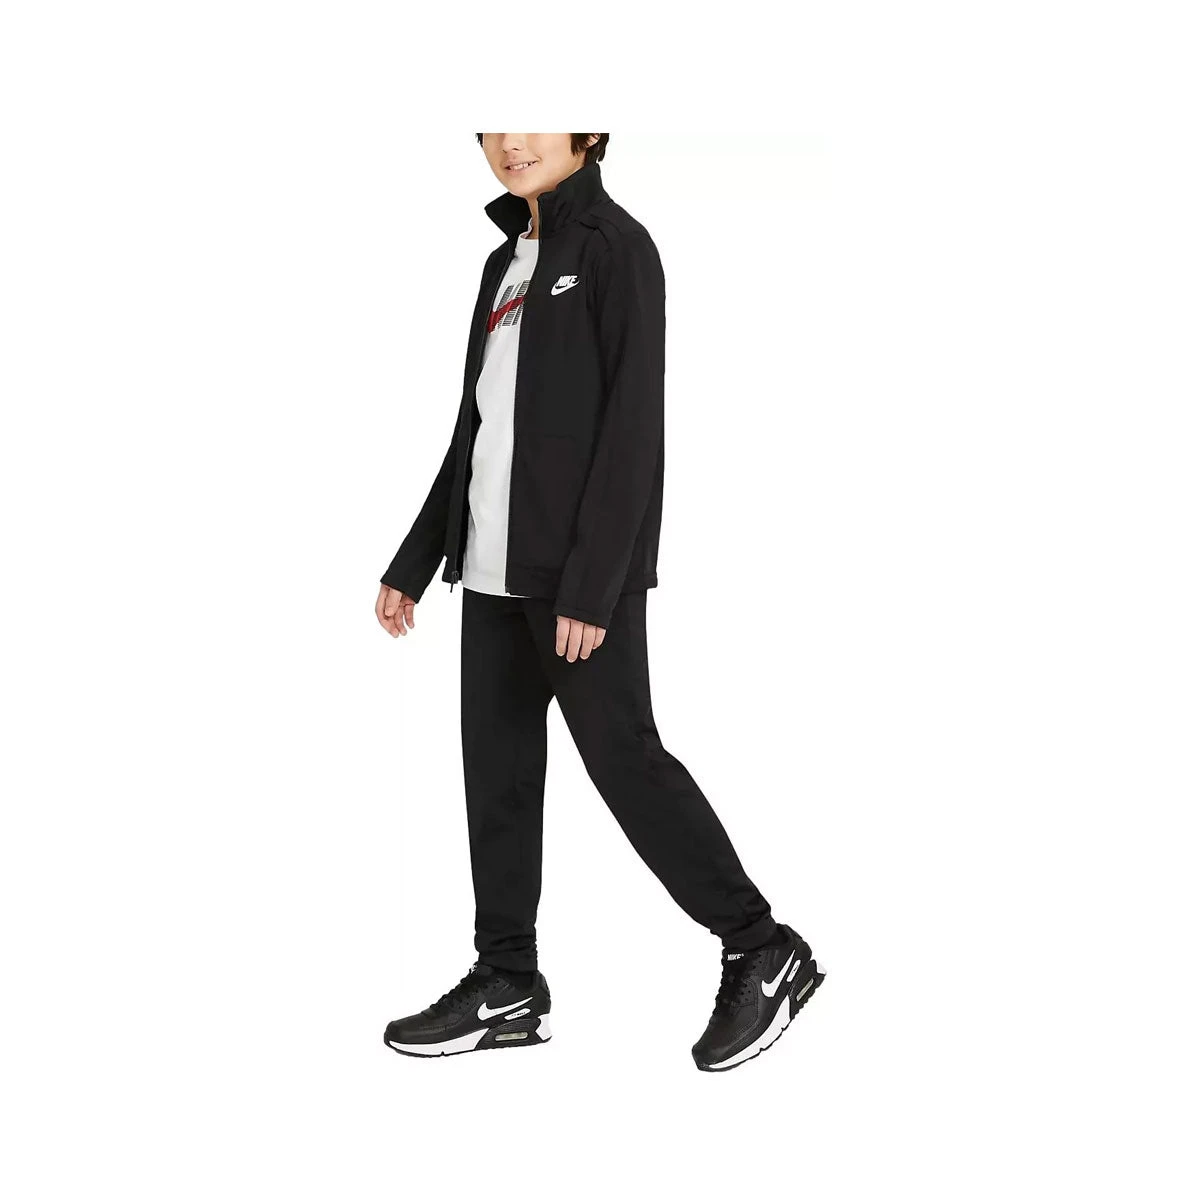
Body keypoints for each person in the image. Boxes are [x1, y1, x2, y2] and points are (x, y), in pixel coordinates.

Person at [375, 133, 823, 1071]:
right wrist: (416, 559)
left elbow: (632, 431)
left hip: (576, 584)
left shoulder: (618, 248)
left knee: (628, 765)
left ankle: (761, 945)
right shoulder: (503, 265)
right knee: (497, 782)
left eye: (537, 116)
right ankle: (507, 980)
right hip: (489, 576)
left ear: (587, 130)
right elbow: (476, 428)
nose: (512, 141)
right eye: (496, 122)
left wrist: (593, 584)